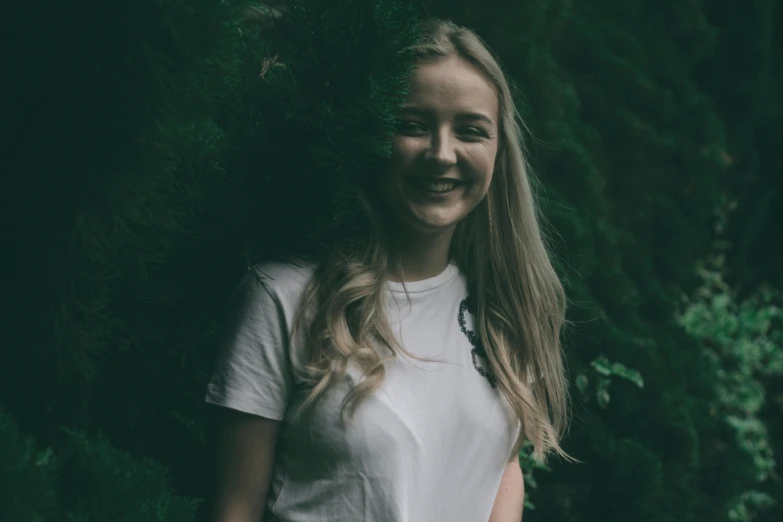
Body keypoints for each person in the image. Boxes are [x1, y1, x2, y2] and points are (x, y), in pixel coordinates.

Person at [199, 17, 573, 522]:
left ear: (498, 152)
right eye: (413, 124)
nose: (442, 154)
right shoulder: (281, 299)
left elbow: (498, 466)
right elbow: (235, 510)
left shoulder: (502, 308)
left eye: (470, 130)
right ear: (375, 138)